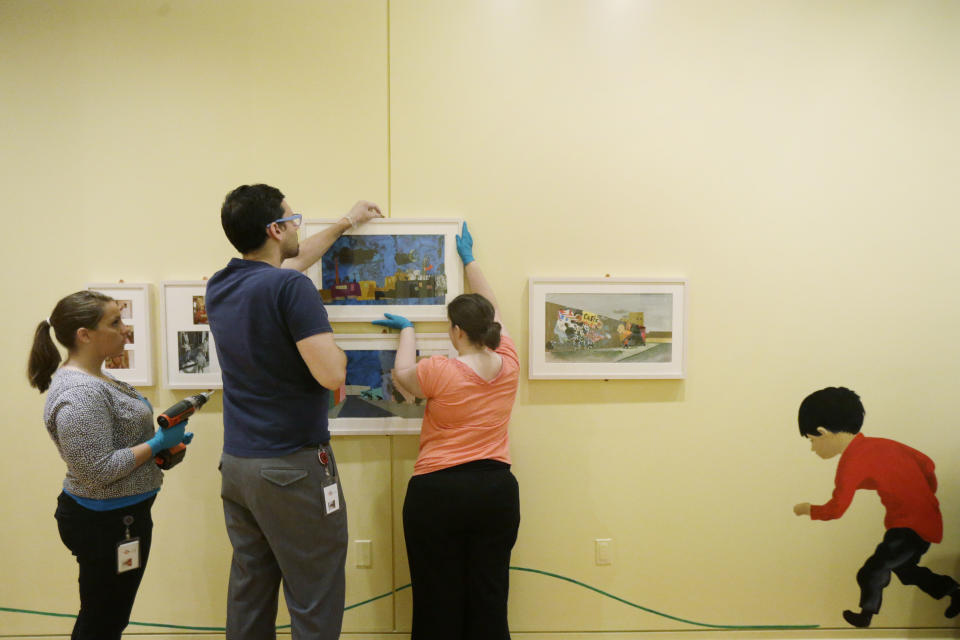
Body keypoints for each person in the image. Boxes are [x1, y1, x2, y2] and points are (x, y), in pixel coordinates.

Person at [206, 183, 382, 639]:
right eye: (293, 219)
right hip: (292, 468)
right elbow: (330, 375)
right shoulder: (290, 288)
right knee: (315, 597)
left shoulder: (222, 284)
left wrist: (346, 222)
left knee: (251, 592)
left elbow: (294, 260)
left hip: (240, 467)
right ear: (275, 228)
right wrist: (340, 356)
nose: (296, 226)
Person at [373, 222, 521, 640]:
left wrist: (406, 331)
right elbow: (491, 304)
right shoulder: (508, 362)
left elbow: (403, 376)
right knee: (490, 595)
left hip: (437, 492)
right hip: (496, 490)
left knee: (437, 598)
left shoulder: (439, 370)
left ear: (456, 331)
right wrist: (470, 260)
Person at [27, 291, 192, 640]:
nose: (125, 330)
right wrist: (156, 444)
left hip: (120, 516)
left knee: (107, 616)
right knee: (102, 622)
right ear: (84, 335)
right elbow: (98, 469)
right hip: (106, 524)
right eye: (115, 322)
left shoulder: (100, 379)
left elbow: (116, 449)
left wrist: (162, 451)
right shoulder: (81, 392)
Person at [792, 386, 960, 628]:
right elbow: (927, 465)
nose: (813, 449)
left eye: (813, 441)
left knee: (871, 570)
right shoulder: (883, 445)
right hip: (927, 519)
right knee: (906, 571)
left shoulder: (851, 462)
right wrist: (922, 496)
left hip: (907, 526)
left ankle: (865, 614)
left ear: (823, 432)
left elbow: (836, 509)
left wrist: (808, 509)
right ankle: (954, 591)